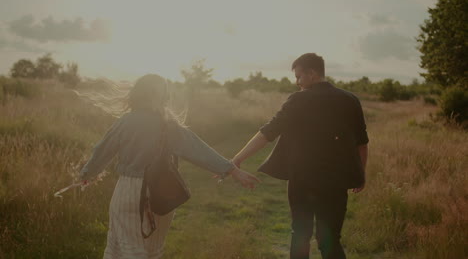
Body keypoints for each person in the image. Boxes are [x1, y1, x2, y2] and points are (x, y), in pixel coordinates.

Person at [79, 74, 259, 259]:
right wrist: (233, 170)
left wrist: (87, 174)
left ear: (137, 93)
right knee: (153, 251)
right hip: (162, 193)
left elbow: (102, 152)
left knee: (126, 250)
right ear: (164, 96)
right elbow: (199, 150)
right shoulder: (169, 125)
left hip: (129, 192)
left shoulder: (125, 122)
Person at [232, 53, 369, 259]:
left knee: (300, 235)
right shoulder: (350, 100)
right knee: (330, 238)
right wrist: (360, 173)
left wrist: (238, 159)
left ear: (312, 74)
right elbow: (362, 142)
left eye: (299, 77)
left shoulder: (299, 100)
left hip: (303, 179)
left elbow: (268, 132)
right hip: (337, 182)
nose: (297, 83)